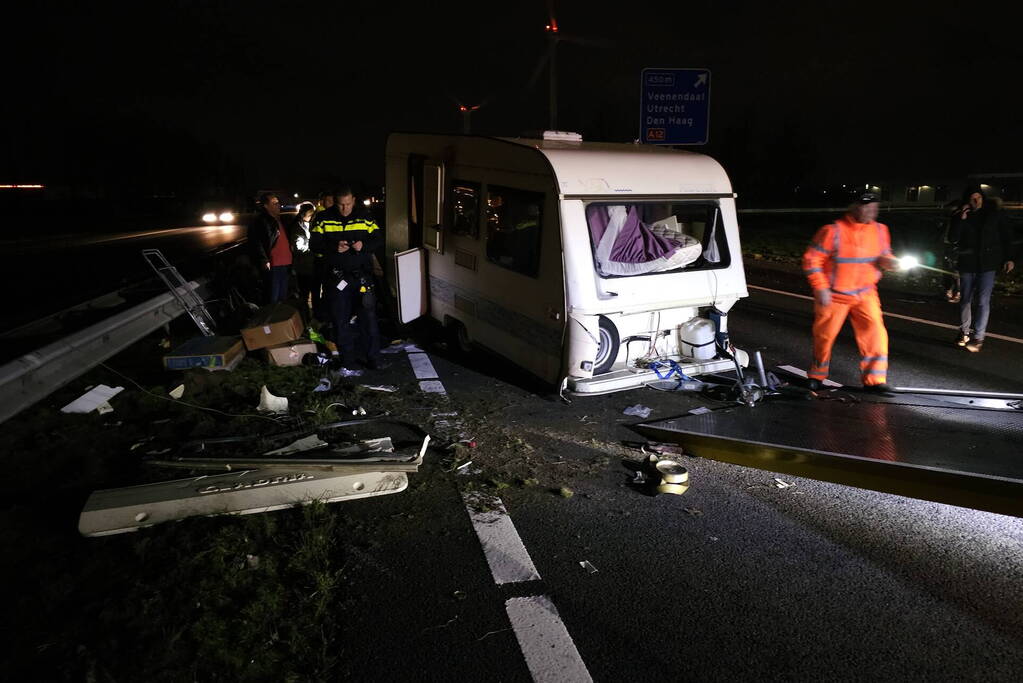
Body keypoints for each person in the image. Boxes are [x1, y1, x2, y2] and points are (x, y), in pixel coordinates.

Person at [802, 191, 898, 392]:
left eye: (874, 207)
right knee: (825, 336)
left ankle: (875, 380)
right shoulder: (832, 231)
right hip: (834, 294)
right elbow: (812, 260)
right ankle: (817, 376)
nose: (871, 211)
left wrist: (889, 262)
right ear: (853, 207)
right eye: (866, 206)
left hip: (865, 293)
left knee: (876, 333)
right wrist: (820, 287)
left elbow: (884, 255)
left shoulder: (881, 230)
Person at [310, 187, 385, 368]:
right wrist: (333, 247)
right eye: (341, 205)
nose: (345, 209)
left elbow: (378, 239)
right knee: (340, 321)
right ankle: (347, 361)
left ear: (353, 200)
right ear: (335, 202)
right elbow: (313, 244)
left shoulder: (365, 216)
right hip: (336, 278)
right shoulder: (323, 218)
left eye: (348, 204)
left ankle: (373, 359)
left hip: (361, 277)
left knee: (369, 320)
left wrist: (363, 245)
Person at [946, 185, 1015, 352]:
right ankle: (964, 332)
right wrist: (961, 219)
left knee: (983, 301)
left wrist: (1009, 258)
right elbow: (952, 238)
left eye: (978, 198)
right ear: (967, 201)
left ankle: (978, 337)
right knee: (965, 300)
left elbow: (1007, 236)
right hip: (967, 263)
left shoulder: (994, 215)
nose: (976, 201)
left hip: (988, 264)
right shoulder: (961, 216)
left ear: (983, 198)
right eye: (972, 198)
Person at [247, 192, 292, 304]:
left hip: (285, 263)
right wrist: (264, 259)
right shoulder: (261, 221)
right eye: (274, 203)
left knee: (283, 296)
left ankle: (281, 319)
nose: (278, 205)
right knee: (273, 297)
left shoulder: (279, 220)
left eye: (278, 203)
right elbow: (257, 242)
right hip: (273, 264)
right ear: (266, 206)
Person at [291, 201, 319, 321]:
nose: (312, 216)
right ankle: (304, 317)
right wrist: (311, 245)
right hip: (303, 266)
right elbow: (298, 247)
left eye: (313, 214)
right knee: (304, 293)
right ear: (302, 214)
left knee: (315, 292)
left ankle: (314, 315)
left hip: (312, 264)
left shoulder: (311, 224)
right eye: (310, 214)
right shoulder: (297, 227)